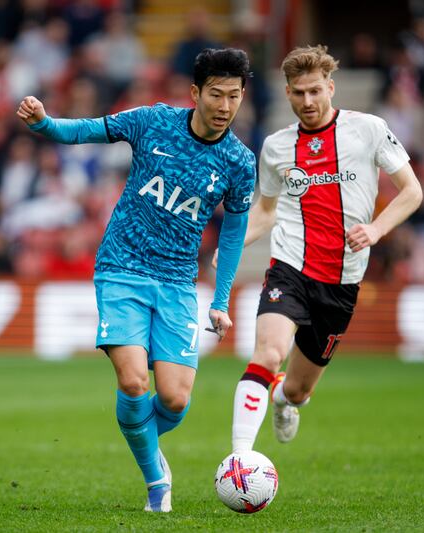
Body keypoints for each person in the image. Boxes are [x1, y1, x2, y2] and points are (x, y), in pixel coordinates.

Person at [17, 48, 256, 512]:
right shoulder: (154, 121)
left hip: (179, 282)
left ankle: (140, 436)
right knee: (132, 383)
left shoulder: (239, 163)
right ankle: (156, 482)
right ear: (195, 93)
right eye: (216, 94)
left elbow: (233, 235)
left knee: (173, 398)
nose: (225, 105)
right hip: (122, 267)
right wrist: (45, 123)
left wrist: (221, 300)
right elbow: (88, 130)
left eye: (234, 95)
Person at [222, 45, 423, 453]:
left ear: (330, 87)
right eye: (298, 93)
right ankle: (240, 459)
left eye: (315, 91)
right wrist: (231, 245)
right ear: (288, 93)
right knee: (268, 352)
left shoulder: (367, 129)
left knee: (297, 389)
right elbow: (265, 212)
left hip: (342, 281)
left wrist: (377, 229)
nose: (307, 101)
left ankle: (283, 400)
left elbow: (412, 191)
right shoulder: (277, 147)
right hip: (290, 268)